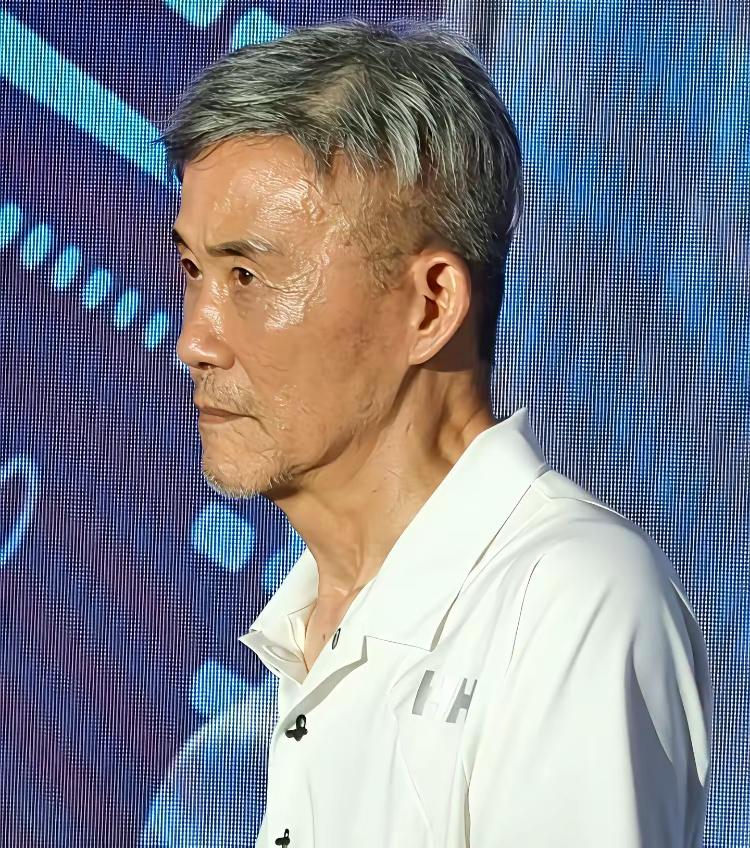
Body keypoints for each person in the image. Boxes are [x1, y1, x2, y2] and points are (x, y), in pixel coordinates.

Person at [158, 17, 712, 847]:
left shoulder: (569, 606)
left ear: (430, 305)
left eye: (247, 275)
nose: (194, 341)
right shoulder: (307, 626)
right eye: (192, 270)